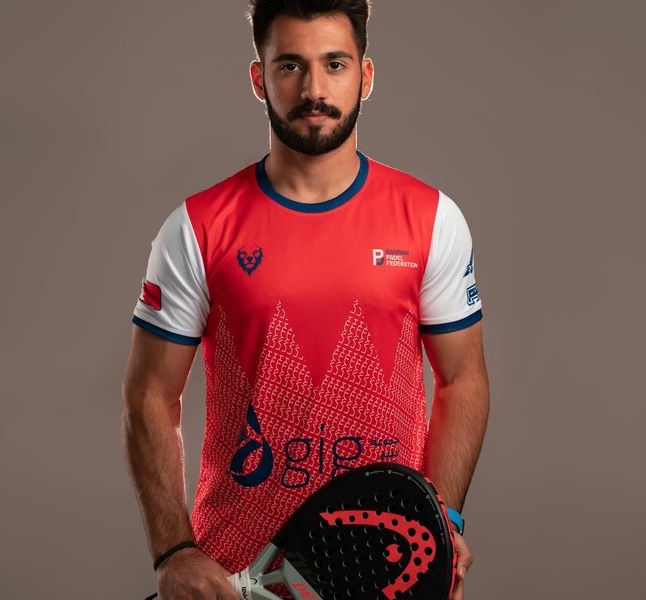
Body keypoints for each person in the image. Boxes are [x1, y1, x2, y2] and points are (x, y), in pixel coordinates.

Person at [121, 1, 490, 599]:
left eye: (335, 64)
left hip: (381, 571)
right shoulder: (196, 227)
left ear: (366, 76)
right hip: (231, 565)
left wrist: (440, 526)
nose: (314, 88)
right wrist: (174, 548)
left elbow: (464, 378)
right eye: (290, 65)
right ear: (258, 77)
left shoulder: (432, 220)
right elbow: (148, 394)